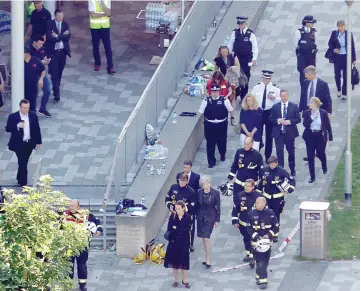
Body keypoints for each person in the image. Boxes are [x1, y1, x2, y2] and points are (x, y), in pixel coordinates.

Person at [63, 199, 103, 291]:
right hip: (68, 246)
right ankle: (68, 285)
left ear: (78, 207)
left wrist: (99, 230)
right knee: (69, 266)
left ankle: (82, 285)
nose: (71, 207)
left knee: (82, 266)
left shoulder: (85, 214)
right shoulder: (65, 214)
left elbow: (97, 222)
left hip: (82, 245)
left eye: (73, 206)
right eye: (70, 206)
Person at [5, 99, 42, 186]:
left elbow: (37, 129)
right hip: (18, 144)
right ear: (20, 107)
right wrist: (17, 126)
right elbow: (7, 128)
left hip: (29, 143)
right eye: (24, 108)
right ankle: (23, 184)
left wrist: (38, 142)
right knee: (22, 163)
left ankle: (19, 177)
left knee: (24, 161)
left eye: (28, 108)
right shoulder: (13, 116)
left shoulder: (33, 115)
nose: (26, 110)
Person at [258, 156, 295, 242]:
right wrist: (258, 193)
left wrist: (291, 188)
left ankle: (275, 234)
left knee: (275, 216)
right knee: (265, 215)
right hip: (266, 198)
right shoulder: (265, 171)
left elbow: (292, 180)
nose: (271, 165)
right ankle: (266, 232)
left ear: (276, 163)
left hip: (277, 199)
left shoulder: (281, 172)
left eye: (272, 164)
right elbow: (261, 183)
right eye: (270, 164)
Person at [247, 197, 279, 290]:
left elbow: (276, 227)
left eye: (257, 202)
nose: (255, 203)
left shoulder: (270, 213)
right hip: (255, 243)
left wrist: (268, 235)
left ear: (263, 204)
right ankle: (263, 280)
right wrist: (257, 237)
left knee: (264, 261)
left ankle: (258, 275)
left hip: (267, 244)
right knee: (261, 262)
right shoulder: (251, 213)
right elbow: (248, 228)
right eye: (256, 202)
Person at [199, 83, 233, 168]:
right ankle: (211, 161)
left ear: (219, 92)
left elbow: (230, 109)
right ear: (210, 92)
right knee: (210, 144)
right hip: (209, 125)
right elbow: (200, 111)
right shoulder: (206, 101)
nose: (214, 93)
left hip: (221, 125)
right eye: (213, 91)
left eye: (216, 91)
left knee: (222, 142)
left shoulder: (224, 100)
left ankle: (222, 154)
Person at [269, 90, 301, 176]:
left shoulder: (293, 106)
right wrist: (278, 121)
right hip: (278, 133)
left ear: (288, 96)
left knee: (291, 151)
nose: (284, 98)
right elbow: (271, 119)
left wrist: (289, 121)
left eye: (285, 96)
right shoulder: (275, 107)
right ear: (280, 96)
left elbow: (298, 119)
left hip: (289, 133)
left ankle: (292, 168)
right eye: (282, 96)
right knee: (279, 151)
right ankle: (281, 169)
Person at [302, 97, 333, 183]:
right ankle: (312, 176)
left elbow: (328, 126)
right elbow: (305, 124)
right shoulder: (307, 113)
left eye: (311, 103)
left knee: (320, 153)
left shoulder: (323, 113)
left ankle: (324, 165)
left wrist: (330, 138)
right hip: (310, 135)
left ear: (316, 104)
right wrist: (312, 118)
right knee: (310, 156)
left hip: (320, 135)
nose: (310, 104)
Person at [251, 70, 281, 160]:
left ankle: (268, 155)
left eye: (268, 79)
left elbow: (279, 101)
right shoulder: (257, 87)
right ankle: (258, 150)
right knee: (257, 133)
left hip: (269, 112)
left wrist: (274, 98)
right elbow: (252, 98)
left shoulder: (275, 88)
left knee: (269, 135)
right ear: (262, 78)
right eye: (264, 78)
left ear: (270, 78)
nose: (266, 80)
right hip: (259, 111)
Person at [232, 179, 262, 266]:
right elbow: (235, 209)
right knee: (246, 239)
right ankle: (249, 254)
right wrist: (234, 219)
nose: (245, 187)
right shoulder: (239, 196)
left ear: (253, 187)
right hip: (243, 223)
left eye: (248, 186)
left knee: (253, 239)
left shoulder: (258, 196)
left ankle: (252, 256)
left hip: (255, 224)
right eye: (245, 185)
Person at [227, 16, 258, 100]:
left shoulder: (250, 33)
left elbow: (255, 47)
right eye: (239, 24)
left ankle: (243, 96)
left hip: (246, 59)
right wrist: (229, 57)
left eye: (242, 24)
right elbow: (230, 45)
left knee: (245, 78)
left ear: (245, 24)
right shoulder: (235, 33)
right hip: (236, 59)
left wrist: (254, 59)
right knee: (235, 77)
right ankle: (235, 94)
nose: (240, 25)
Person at [164, 201, 192, 289]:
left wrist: (176, 228)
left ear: (183, 208)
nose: (177, 211)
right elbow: (170, 228)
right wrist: (176, 228)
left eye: (179, 209)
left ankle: (185, 280)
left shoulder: (187, 217)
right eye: (176, 209)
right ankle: (176, 280)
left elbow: (187, 229)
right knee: (174, 263)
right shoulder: (173, 216)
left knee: (184, 263)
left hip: (184, 243)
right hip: (174, 242)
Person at [165, 173, 197, 250]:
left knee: (185, 233)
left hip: (184, 217)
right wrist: (170, 206)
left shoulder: (191, 192)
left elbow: (193, 205)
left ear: (187, 181)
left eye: (183, 181)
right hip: (174, 215)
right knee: (171, 231)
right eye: (180, 180)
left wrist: (183, 210)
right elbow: (167, 199)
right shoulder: (173, 187)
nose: (181, 182)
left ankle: (188, 246)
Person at [327, 20, 356, 100]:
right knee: (337, 75)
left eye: (342, 26)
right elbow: (330, 43)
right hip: (337, 57)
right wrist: (334, 50)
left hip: (346, 57)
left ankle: (344, 92)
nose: (341, 28)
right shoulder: (334, 33)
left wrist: (354, 59)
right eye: (339, 26)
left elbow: (352, 46)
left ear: (345, 26)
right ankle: (338, 89)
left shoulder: (349, 34)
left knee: (346, 75)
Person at [47, 9, 71, 103]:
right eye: (59, 16)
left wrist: (57, 36)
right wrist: (61, 37)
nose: (61, 17)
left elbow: (68, 36)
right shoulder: (50, 24)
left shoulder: (65, 24)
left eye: (62, 16)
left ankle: (56, 87)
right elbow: (49, 38)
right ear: (55, 16)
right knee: (54, 73)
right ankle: (57, 93)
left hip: (63, 53)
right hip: (53, 53)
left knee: (60, 72)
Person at [196, 175, 221, 268]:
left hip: (211, 217)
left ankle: (208, 259)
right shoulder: (199, 192)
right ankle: (206, 257)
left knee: (206, 237)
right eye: (204, 184)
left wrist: (217, 219)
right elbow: (197, 204)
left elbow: (218, 206)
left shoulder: (215, 193)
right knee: (203, 237)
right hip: (200, 217)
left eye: (207, 183)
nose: (206, 185)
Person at [176, 161, 200, 251]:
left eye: (187, 167)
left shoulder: (196, 177)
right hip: (181, 206)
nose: (185, 169)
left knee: (191, 227)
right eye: (184, 167)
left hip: (190, 205)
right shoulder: (179, 175)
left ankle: (191, 244)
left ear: (190, 167)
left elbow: (197, 191)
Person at [88, 0, 116, 75]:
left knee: (108, 47)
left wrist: (102, 3)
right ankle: (97, 63)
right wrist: (104, 14)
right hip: (95, 27)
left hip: (105, 27)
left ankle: (110, 66)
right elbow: (93, 15)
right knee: (95, 46)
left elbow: (109, 13)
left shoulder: (107, 1)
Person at [30, 34, 52, 118]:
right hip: (33, 74)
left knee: (47, 91)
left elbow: (45, 57)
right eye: (39, 43)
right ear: (35, 42)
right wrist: (40, 62)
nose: (41, 45)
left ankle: (43, 108)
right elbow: (32, 62)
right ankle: (33, 112)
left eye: (42, 44)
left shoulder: (42, 49)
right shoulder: (30, 51)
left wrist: (46, 60)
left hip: (42, 73)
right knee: (34, 93)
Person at [294, 15, 318, 85]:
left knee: (311, 73)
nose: (313, 24)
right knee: (302, 74)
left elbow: (316, 44)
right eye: (312, 23)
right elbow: (296, 44)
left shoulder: (314, 32)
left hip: (311, 57)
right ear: (307, 23)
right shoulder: (298, 32)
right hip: (302, 57)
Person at [24, 45, 46, 112]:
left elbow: (43, 69)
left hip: (32, 88)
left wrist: (41, 79)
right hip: (22, 88)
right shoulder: (18, 62)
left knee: (32, 106)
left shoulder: (35, 60)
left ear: (27, 53)